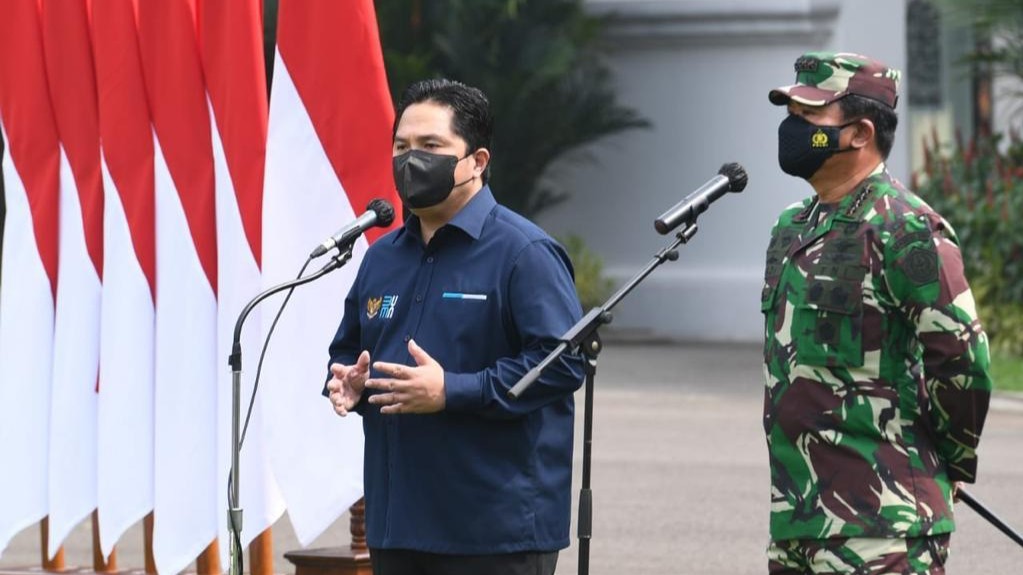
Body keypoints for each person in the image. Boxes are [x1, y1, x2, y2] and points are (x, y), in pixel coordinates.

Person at [324, 78, 585, 575]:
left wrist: (453, 391)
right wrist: (346, 384)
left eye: (431, 146)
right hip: (396, 524)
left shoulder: (523, 253)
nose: (410, 160)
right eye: (401, 146)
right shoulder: (380, 258)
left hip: (492, 530)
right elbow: (347, 352)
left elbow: (562, 363)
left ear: (477, 162)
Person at [760, 52, 993, 574]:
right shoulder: (791, 228)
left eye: (809, 119)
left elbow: (963, 362)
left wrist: (948, 463)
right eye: (791, 115)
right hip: (798, 520)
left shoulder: (905, 229)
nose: (792, 131)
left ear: (861, 132)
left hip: (884, 528)